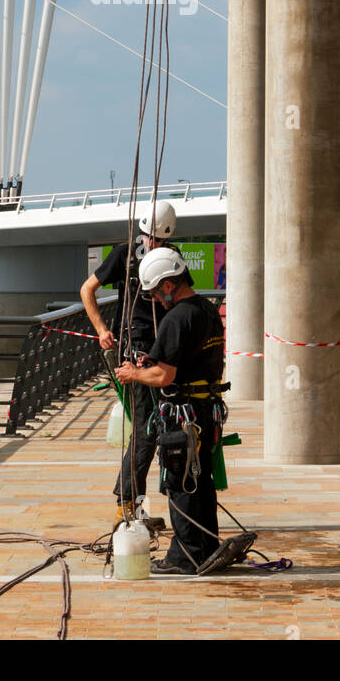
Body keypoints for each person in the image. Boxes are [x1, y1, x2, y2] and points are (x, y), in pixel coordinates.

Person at [116, 245, 226, 574]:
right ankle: (206, 546)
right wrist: (149, 361)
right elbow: (179, 359)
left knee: (181, 482)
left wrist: (133, 373)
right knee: (200, 477)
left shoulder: (177, 317)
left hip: (183, 413)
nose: (154, 300)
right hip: (205, 409)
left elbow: (165, 375)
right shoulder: (206, 310)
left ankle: (185, 556)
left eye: (154, 293)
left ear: (167, 284)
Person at [80, 200, 178, 522]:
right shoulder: (124, 255)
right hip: (133, 347)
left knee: (163, 425)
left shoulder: (171, 258)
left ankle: (139, 506)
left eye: (159, 241)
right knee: (146, 428)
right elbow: (87, 290)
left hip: (162, 347)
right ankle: (129, 505)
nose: (153, 246)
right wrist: (101, 329)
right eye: (150, 238)